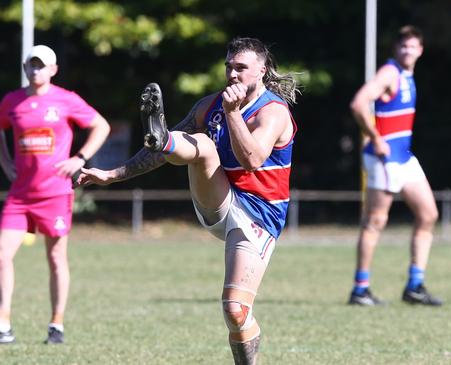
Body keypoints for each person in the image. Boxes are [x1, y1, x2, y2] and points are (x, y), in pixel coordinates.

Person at [77, 37, 298, 364]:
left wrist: (233, 113)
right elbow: (157, 157)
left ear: (262, 71)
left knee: (235, 311)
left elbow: (252, 159)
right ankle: (163, 135)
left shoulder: (274, 113)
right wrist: (113, 175)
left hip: (259, 218)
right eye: (228, 67)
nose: (232, 74)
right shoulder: (209, 106)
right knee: (202, 146)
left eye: (241, 68)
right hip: (219, 199)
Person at [0, 45, 111, 344]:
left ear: (53, 69)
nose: (35, 70)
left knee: (56, 256)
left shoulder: (66, 100)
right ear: (24, 68)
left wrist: (80, 158)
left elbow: (101, 125)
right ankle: (1, 325)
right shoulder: (13, 101)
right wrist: (5, 162)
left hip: (55, 193)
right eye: (31, 65)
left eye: (41, 65)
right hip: (20, 194)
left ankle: (56, 325)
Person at [347, 25, 443, 307]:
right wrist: (375, 137)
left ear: (420, 50)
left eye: (412, 46)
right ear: (396, 49)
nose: (407, 51)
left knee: (428, 214)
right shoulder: (389, 72)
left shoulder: (408, 75)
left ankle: (415, 285)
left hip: (404, 157)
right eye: (403, 46)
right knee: (375, 222)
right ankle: (360, 288)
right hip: (384, 158)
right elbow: (359, 103)